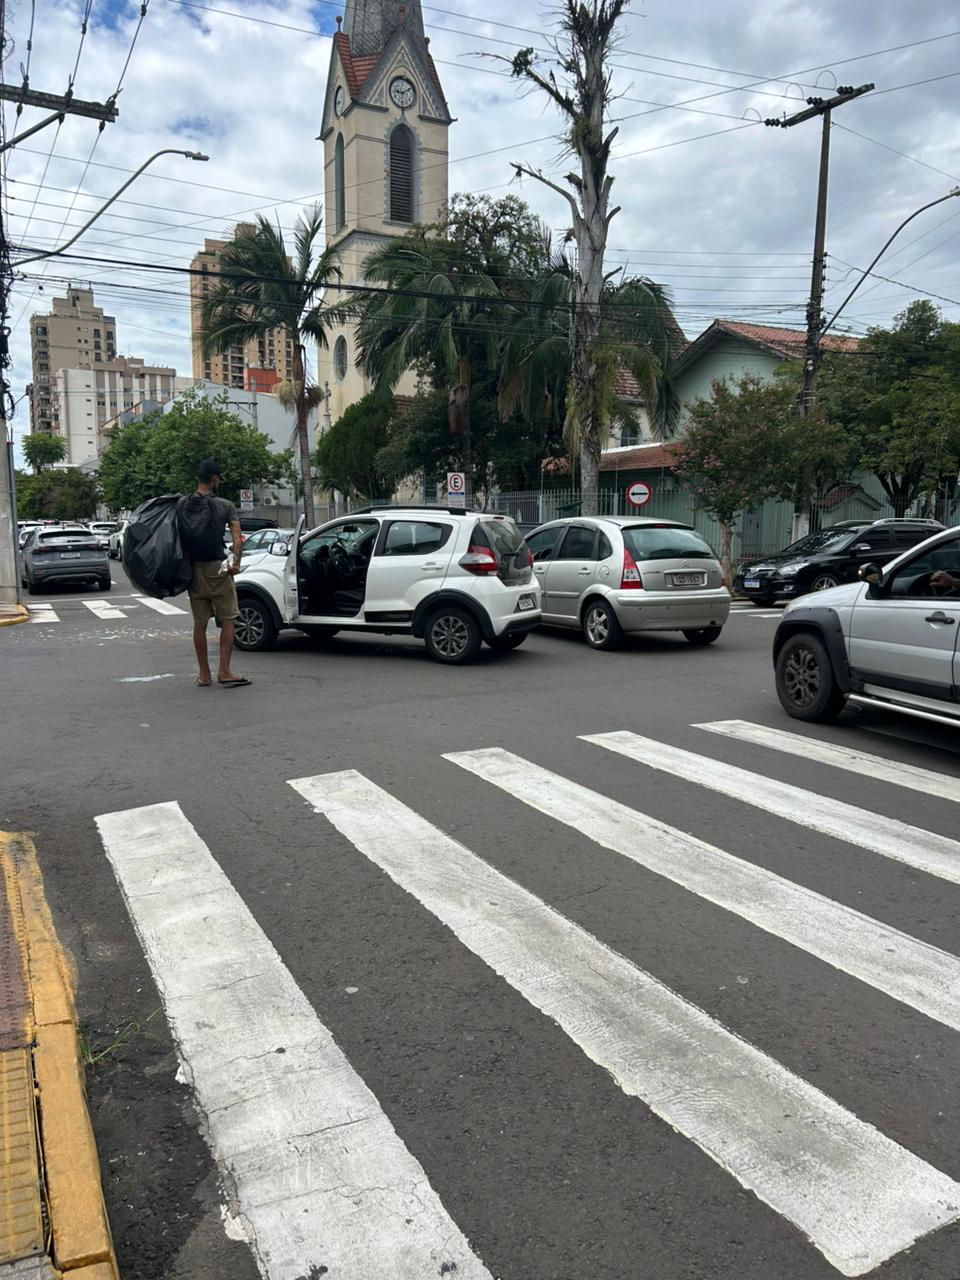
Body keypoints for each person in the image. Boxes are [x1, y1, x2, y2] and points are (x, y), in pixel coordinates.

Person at [179, 460, 251, 688]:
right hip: (217, 568)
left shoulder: (182, 504)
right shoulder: (224, 505)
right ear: (215, 479)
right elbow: (237, 536)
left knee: (199, 623)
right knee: (229, 619)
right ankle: (225, 671)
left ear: (198, 479)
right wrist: (235, 563)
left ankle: (204, 675)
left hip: (192, 569)